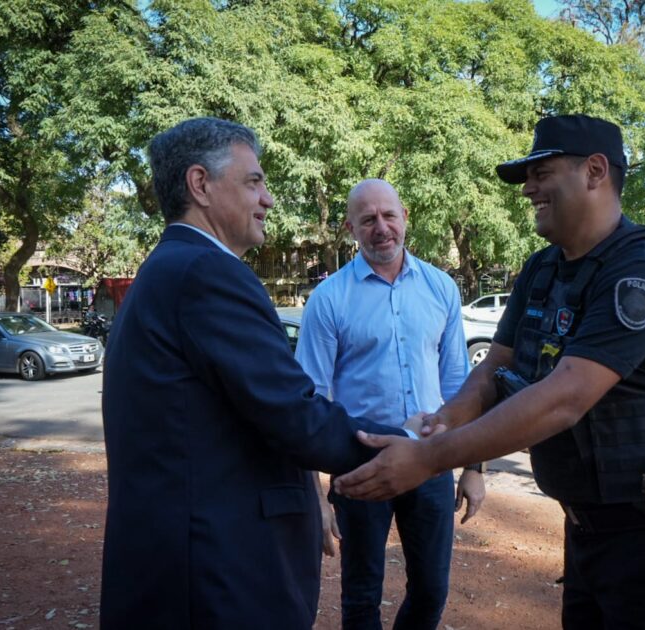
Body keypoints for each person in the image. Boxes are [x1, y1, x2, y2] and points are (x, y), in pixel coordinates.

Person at [334, 115, 645, 629]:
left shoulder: (643, 272)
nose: (528, 189)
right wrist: (439, 423)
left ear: (594, 171)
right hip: (587, 528)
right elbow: (498, 367)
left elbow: (564, 398)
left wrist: (430, 458)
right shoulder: (543, 270)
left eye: (541, 172)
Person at [100, 118, 415, 630]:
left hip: (189, 563)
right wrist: (412, 445)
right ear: (200, 185)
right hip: (214, 575)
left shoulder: (173, 267)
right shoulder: (206, 273)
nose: (267, 199)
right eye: (254, 181)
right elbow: (292, 412)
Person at [295, 179, 485, 630]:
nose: (381, 227)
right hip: (359, 461)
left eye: (389, 215)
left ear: (405, 218)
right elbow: (308, 401)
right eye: (368, 219)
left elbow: (460, 384)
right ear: (350, 229)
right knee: (362, 594)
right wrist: (313, 497)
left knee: (432, 588)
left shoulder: (441, 288)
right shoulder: (328, 299)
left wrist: (474, 467)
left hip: (430, 455)